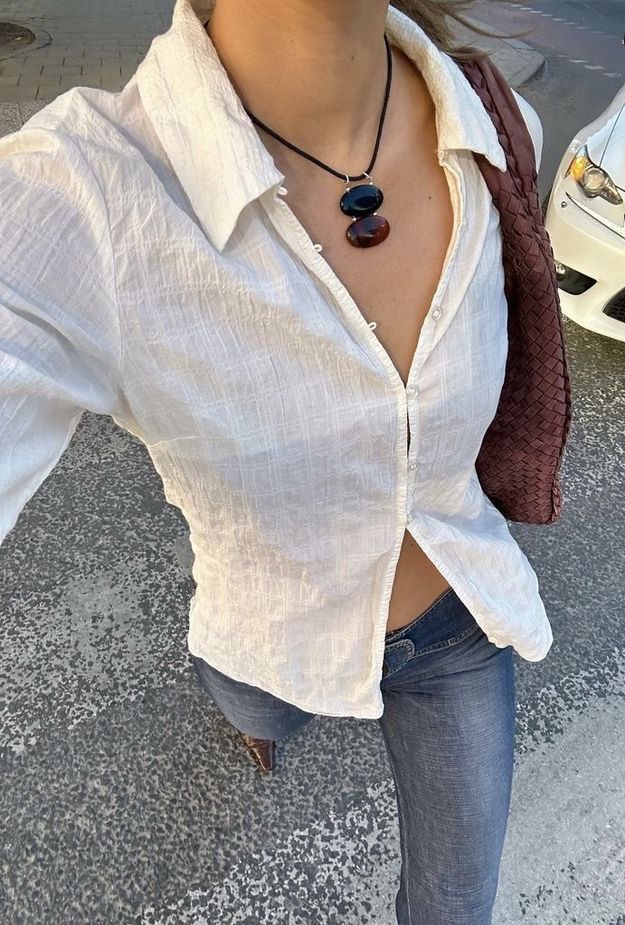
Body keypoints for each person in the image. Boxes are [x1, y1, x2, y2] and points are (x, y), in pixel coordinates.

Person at [0, 1, 555, 921]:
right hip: (274, 636)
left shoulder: (501, 132)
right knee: (259, 714)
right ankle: (259, 724)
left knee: (456, 906)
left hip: (461, 621)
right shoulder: (82, 199)